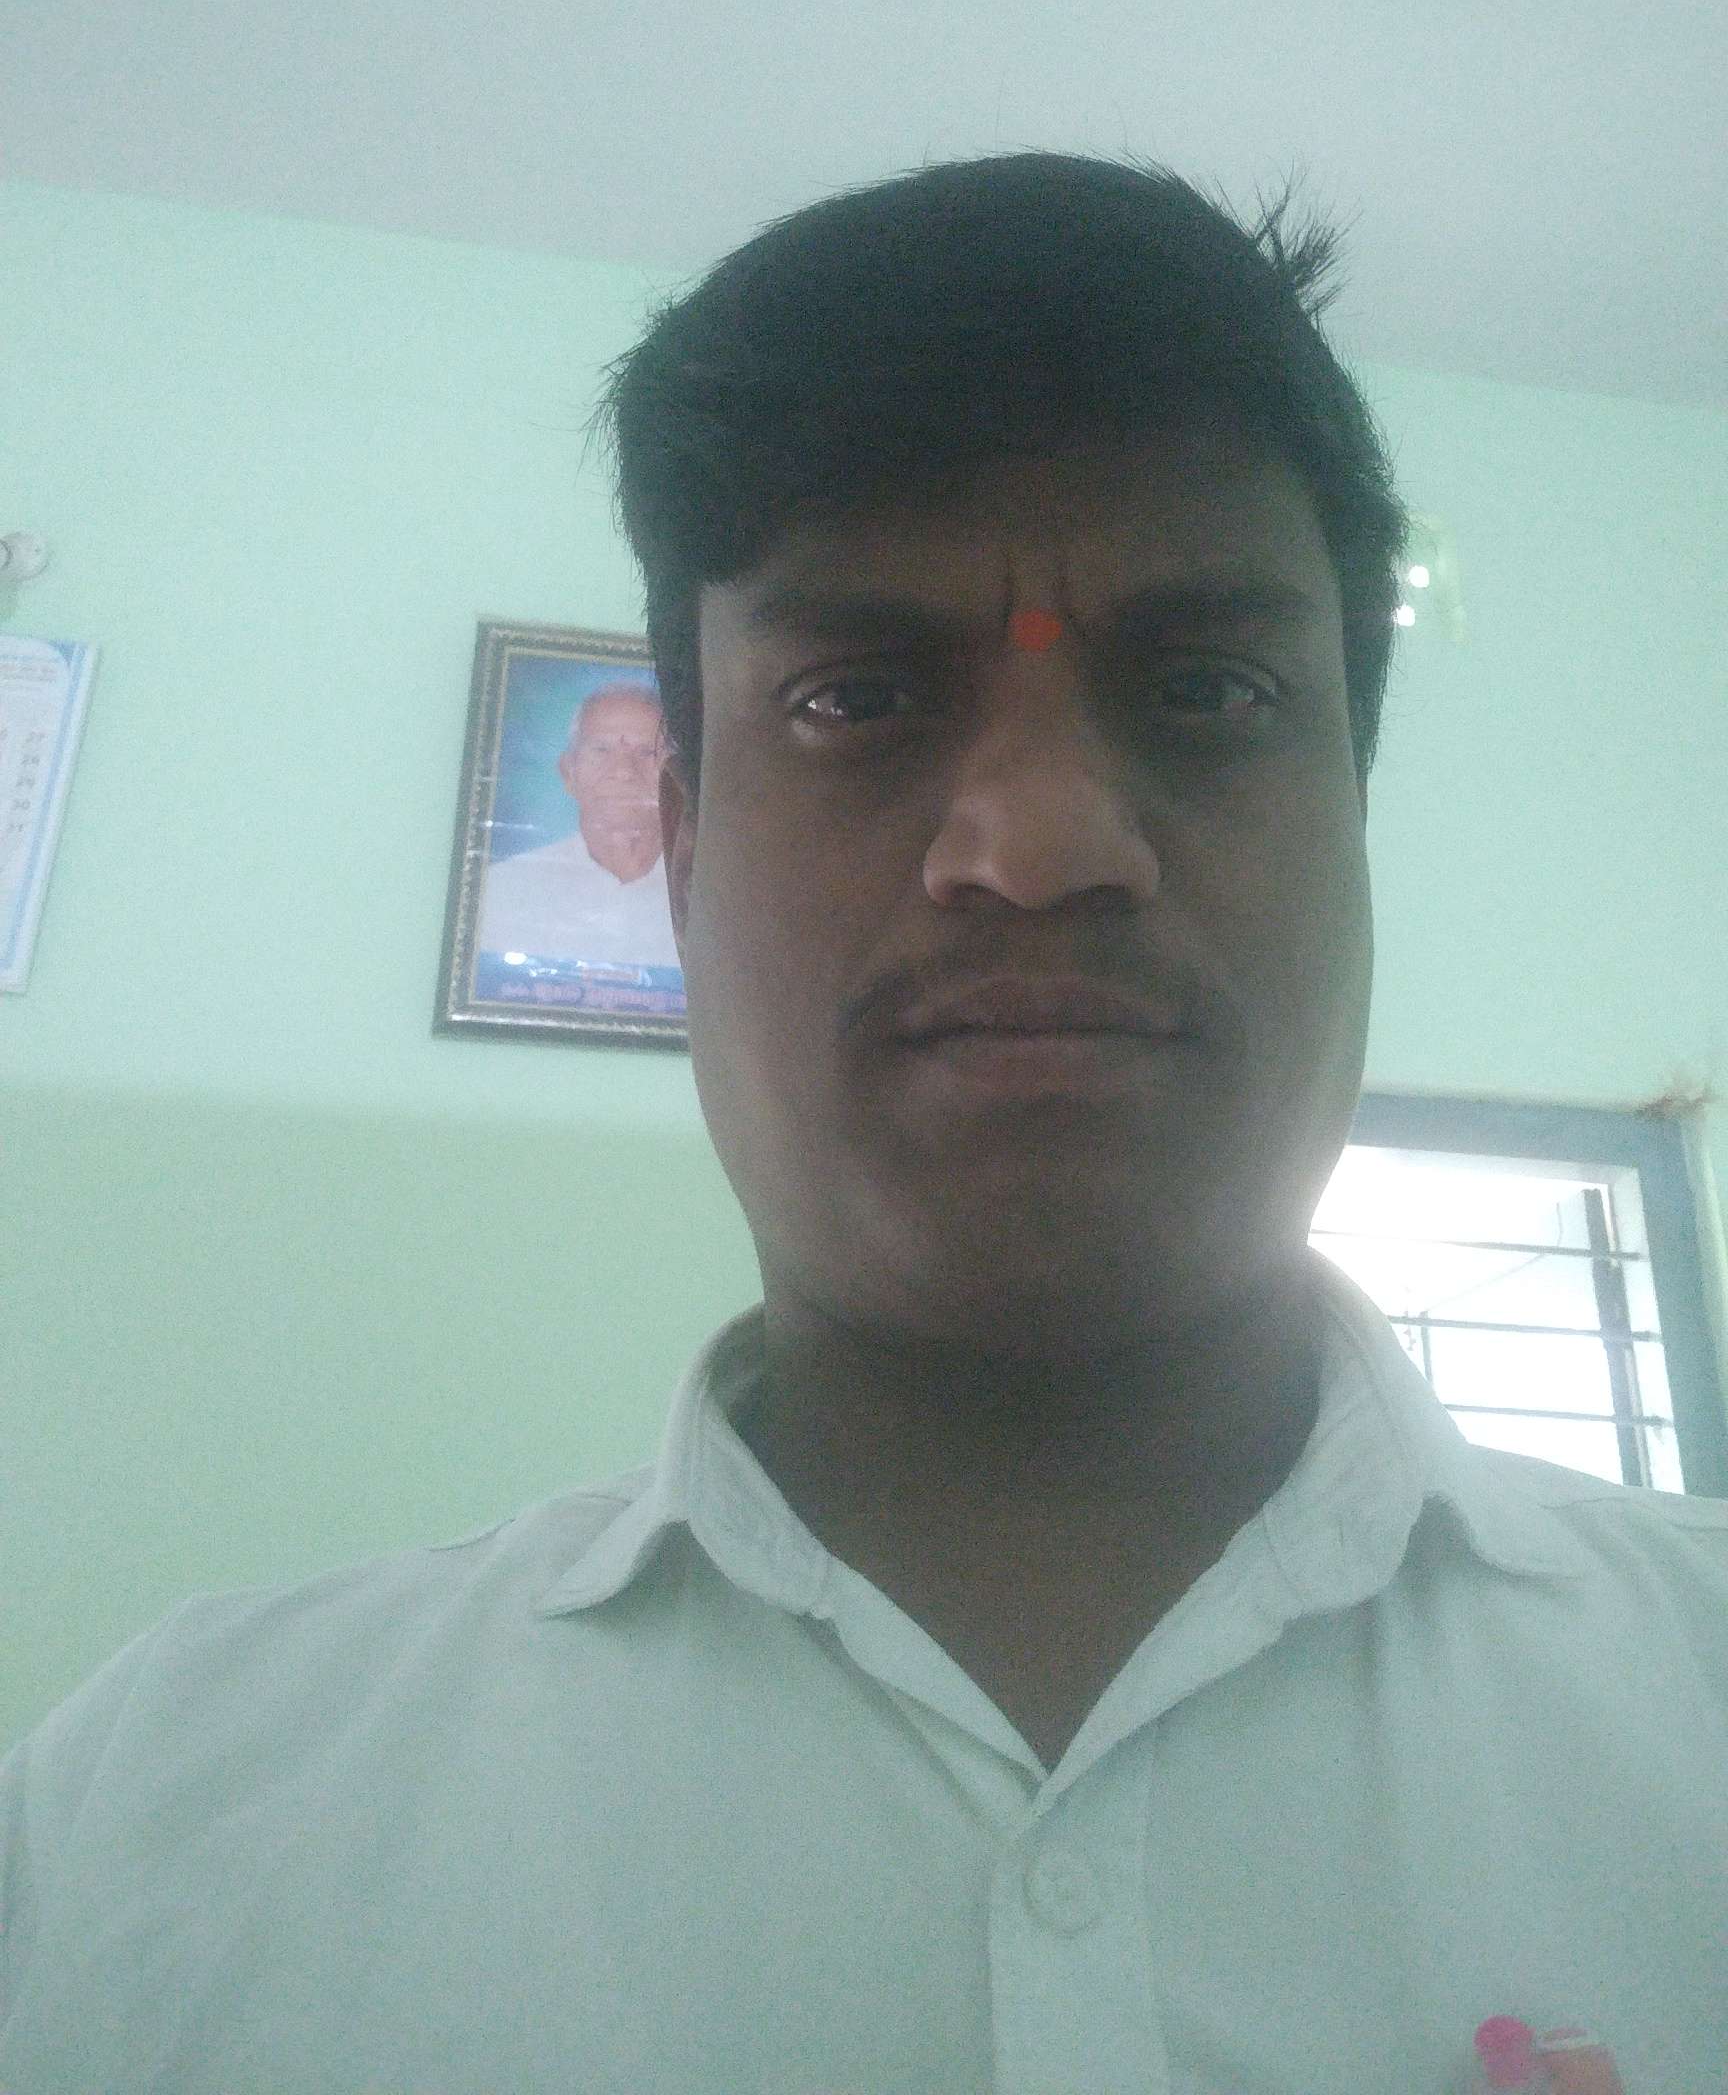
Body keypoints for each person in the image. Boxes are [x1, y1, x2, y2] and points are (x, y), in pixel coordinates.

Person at [2, 152, 1723, 2093]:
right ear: (679, 869)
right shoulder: (155, 1832)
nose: (1040, 842)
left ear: (1353, 822)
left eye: (1210, 686)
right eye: (853, 699)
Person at [476, 680, 680, 972]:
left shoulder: (711, 897)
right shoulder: (501, 891)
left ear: (676, 776)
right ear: (568, 772)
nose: (624, 771)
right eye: (602, 750)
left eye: (647, 752)